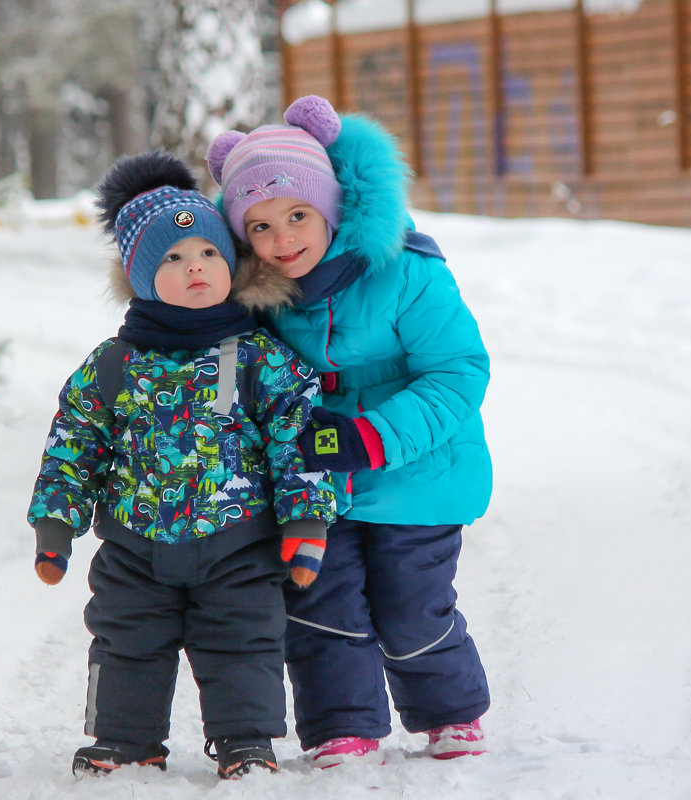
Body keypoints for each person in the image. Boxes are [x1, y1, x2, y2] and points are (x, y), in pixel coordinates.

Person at [26, 151, 336, 780]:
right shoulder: (113, 364)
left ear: (232, 265)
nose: (195, 265)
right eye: (172, 258)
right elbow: (74, 439)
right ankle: (123, 737)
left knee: (244, 642)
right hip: (134, 545)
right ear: (141, 277)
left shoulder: (260, 357)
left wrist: (307, 523)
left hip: (240, 541)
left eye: (208, 253)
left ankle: (247, 741)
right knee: (124, 639)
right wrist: (55, 526)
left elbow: (298, 435)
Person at [206, 95, 493, 768]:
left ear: (332, 206)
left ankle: (450, 711)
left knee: (409, 607)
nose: (283, 239)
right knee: (319, 604)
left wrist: (373, 436)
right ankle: (342, 724)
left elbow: (457, 372)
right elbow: (234, 385)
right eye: (262, 226)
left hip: (418, 475)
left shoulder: (406, 272)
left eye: (298, 215)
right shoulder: (257, 300)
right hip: (317, 480)